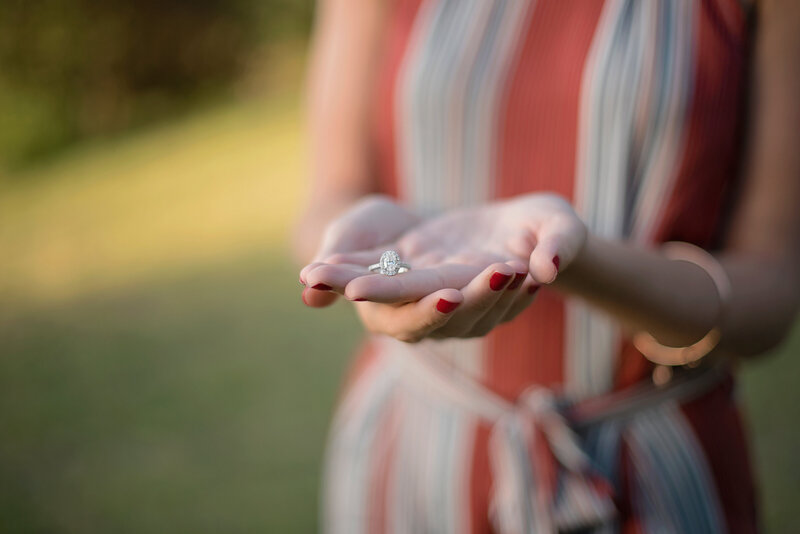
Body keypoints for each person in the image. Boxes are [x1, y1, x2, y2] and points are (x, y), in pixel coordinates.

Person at [294, 0, 800, 532]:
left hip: (656, 464)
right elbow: (327, 202)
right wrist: (378, 267)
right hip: (418, 450)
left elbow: (769, 289)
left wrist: (578, 260)